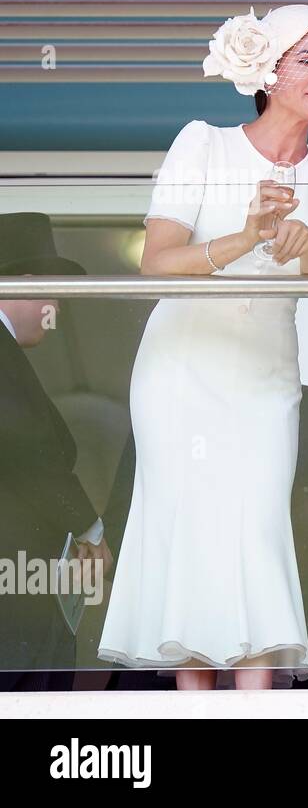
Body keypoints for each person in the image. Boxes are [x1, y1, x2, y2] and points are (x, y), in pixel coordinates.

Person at [97, 5, 308, 690]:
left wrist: (298, 244)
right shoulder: (204, 143)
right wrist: (245, 238)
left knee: (256, 533)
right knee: (189, 535)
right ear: (267, 71)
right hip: (182, 368)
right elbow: (157, 262)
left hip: (265, 379)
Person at [102, 385, 308, 689]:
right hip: (168, 646)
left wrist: (254, 525)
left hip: (282, 646)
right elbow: (121, 526)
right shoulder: (166, 409)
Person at [0, 212, 112, 691]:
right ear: (24, 282)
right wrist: (88, 527)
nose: (58, 305)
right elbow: (25, 443)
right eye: (52, 288)